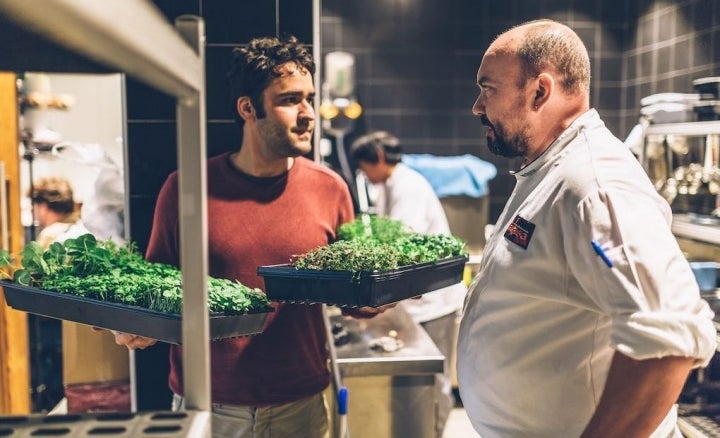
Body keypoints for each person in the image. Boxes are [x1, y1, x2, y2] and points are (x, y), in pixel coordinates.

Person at [111, 35, 390, 437]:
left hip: (300, 407)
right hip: (208, 408)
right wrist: (133, 325)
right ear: (247, 108)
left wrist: (370, 299)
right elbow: (154, 292)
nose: (308, 113)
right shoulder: (187, 188)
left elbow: (350, 294)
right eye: (290, 100)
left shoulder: (331, 189)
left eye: (309, 98)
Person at [456, 19, 717, 438]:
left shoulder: (594, 184)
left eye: (488, 89)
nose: (477, 106)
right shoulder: (549, 170)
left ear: (540, 91)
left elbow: (670, 339)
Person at [350, 130, 466, 438]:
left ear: (377, 157)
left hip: (436, 302)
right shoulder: (389, 184)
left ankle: (435, 432)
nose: (363, 174)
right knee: (422, 375)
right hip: (420, 301)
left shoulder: (407, 186)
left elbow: (400, 241)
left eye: (364, 166)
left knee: (435, 377)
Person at [31, 176, 89, 248]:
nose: (32, 210)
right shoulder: (83, 228)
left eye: (34, 205)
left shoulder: (49, 235)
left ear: (43, 206)